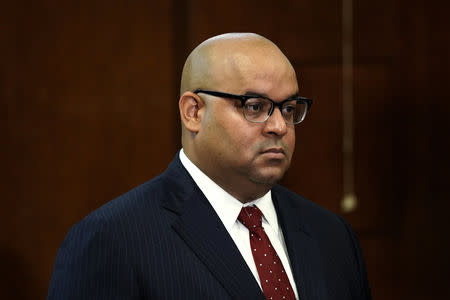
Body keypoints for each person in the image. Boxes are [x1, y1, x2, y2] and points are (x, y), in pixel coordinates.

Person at [47, 33, 371, 300]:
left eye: (288, 108)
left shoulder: (331, 235)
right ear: (194, 112)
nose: (279, 126)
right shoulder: (112, 240)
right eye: (255, 106)